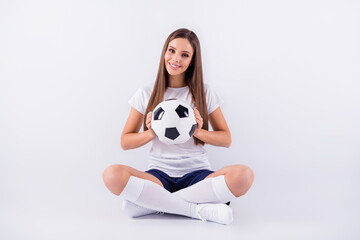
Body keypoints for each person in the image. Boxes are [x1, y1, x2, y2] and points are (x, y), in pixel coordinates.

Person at [102, 28, 254, 225]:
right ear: (164, 52)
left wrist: (199, 132)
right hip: (159, 176)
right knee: (112, 175)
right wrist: (150, 134)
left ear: (192, 60)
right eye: (171, 51)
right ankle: (196, 210)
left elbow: (226, 139)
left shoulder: (204, 92)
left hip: (197, 175)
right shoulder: (146, 93)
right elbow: (125, 141)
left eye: (185, 55)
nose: (175, 59)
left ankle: (153, 204)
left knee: (243, 176)